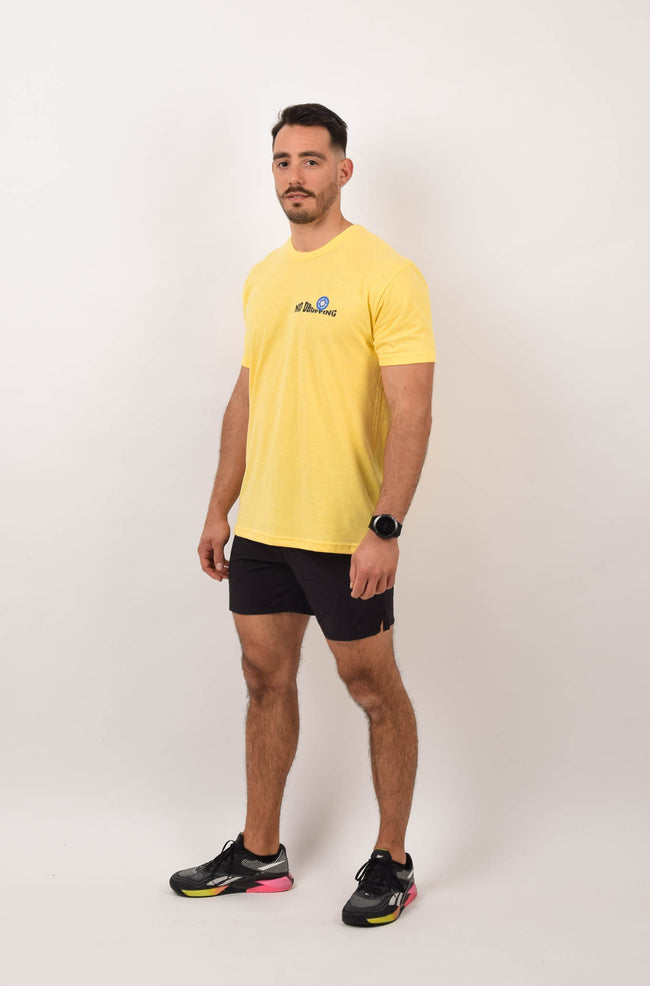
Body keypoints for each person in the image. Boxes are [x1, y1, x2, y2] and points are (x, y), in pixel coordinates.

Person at [169, 104, 435, 927]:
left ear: (343, 171)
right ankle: (260, 853)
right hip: (264, 530)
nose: (296, 175)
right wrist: (219, 507)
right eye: (283, 161)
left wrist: (385, 526)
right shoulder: (264, 276)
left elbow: (413, 409)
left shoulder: (387, 274)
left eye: (312, 160)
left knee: (372, 689)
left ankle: (393, 861)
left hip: (345, 532)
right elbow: (248, 397)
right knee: (263, 680)